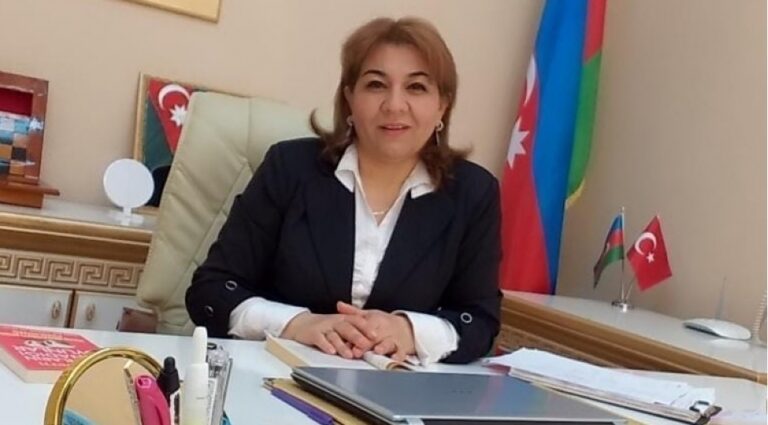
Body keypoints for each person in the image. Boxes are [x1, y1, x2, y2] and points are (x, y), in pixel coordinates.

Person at [186, 16, 501, 365]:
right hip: (276, 374)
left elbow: (480, 322)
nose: (394, 105)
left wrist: (410, 331)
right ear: (349, 98)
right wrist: (296, 324)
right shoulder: (289, 168)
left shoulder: (473, 193)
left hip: (395, 388)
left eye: (416, 87)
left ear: (442, 105)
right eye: (376, 85)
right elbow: (211, 291)